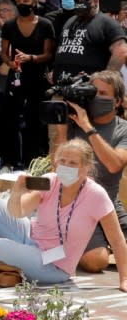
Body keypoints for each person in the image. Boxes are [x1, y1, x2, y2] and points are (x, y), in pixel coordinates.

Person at [0, 139, 127, 290]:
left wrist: (124, 279)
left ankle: (11, 265)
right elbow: (19, 212)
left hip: (55, 264)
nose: (66, 167)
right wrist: (16, 194)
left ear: (86, 168)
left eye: (72, 163)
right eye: (62, 161)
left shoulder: (96, 195)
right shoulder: (50, 181)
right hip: (30, 236)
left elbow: (117, 239)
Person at [53, 70, 127, 273]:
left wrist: (87, 127)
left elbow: (114, 164)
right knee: (97, 262)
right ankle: (60, 241)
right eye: (93, 93)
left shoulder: (123, 129)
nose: (96, 98)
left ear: (118, 101)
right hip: (78, 205)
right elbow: (59, 172)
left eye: (103, 94)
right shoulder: (73, 123)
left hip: (109, 202)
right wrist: (62, 128)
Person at [0, 0, 55, 169]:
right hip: (16, 76)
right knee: (11, 120)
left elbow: (48, 55)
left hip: (37, 79)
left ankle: (34, 162)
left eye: (26, 1)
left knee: (35, 121)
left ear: (34, 2)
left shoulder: (45, 25)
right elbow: (4, 53)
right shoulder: (9, 26)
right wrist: (10, 63)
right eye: (19, 2)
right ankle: (10, 161)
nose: (22, 5)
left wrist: (30, 58)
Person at [53, 0, 127, 81]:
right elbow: (61, 47)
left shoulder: (107, 23)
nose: (79, 3)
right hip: (62, 85)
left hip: (90, 88)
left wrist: (107, 78)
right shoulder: (70, 21)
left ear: (95, 2)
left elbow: (121, 51)